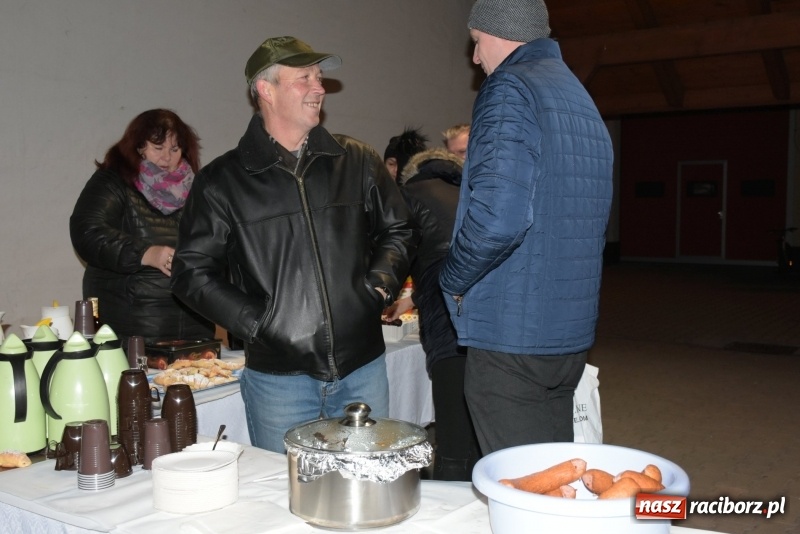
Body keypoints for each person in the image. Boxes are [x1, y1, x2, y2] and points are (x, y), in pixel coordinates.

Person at [170, 36, 418, 454]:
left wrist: (378, 285)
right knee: (286, 500)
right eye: (304, 78)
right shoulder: (222, 182)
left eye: (319, 77)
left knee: (367, 488)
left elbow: (399, 230)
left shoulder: (356, 160)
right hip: (278, 382)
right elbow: (191, 272)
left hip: (363, 368)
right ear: (265, 90)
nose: (319, 88)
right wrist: (258, 322)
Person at [439, 0, 613, 455]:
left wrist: (453, 279)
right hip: (567, 335)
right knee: (554, 479)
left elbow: (498, 219)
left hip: (512, 333)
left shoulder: (510, 88)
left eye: (476, 44)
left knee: (522, 490)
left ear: (498, 33)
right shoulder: (578, 97)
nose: (475, 59)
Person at [69, 109, 215, 348]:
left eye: (175, 149)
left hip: (194, 327)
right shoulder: (113, 182)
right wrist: (147, 254)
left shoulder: (198, 188)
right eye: (158, 148)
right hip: (129, 329)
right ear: (139, 147)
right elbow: (87, 232)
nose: (167, 157)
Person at [385, 147, 481, 481]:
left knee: (452, 441)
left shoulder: (408, 195)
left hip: (447, 325)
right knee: (481, 433)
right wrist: (409, 300)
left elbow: (392, 258)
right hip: (490, 326)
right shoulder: (475, 193)